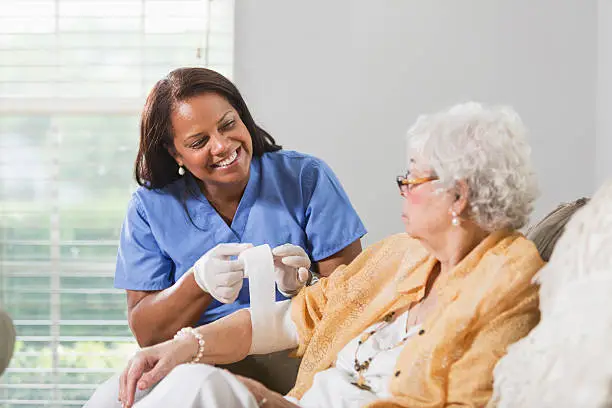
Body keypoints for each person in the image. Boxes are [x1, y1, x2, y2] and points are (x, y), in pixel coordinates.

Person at [90, 102, 544, 408]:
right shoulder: (403, 256)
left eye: (412, 179)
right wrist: (182, 346)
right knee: (136, 384)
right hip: (294, 398)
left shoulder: (511, 279)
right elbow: (300, 315)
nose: (402, 190)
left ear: (457, 196)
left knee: (195, 389)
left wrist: (264, 399)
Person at [115, 67, 366, 390]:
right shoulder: (151, 208)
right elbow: (147, 334)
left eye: (228, 124)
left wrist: (305, 286)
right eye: (199, 141)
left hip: (301, 360)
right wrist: (198, 282)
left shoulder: (305, 178)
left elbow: (354, 302)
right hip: (199, 366)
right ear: (174, 152)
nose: (221, 146)